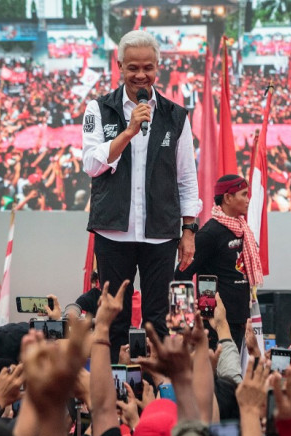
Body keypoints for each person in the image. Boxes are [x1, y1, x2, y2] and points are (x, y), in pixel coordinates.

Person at [82, 30, 199, 361]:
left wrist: (188, 230)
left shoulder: (175, 116)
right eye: (133, 67)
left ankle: (155, 394)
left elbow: (186, 178)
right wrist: (129, 131)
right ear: (120, 66)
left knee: (158, 323)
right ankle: (115, 394)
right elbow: (90, 164)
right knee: (113, 320)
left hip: (160, 233)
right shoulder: (99, 108)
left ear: (158, 68)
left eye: (147, 67)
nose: (140, 75)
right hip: (113, 231)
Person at [175, 175, 263, 350]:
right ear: (228, 198)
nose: (248, 200)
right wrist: (183, 322)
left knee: (232, 375)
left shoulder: (242, 230)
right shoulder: (210, 234)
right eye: (244, 194)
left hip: (239, 319)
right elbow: (181, 274)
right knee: (218, 376)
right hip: (216, 323)